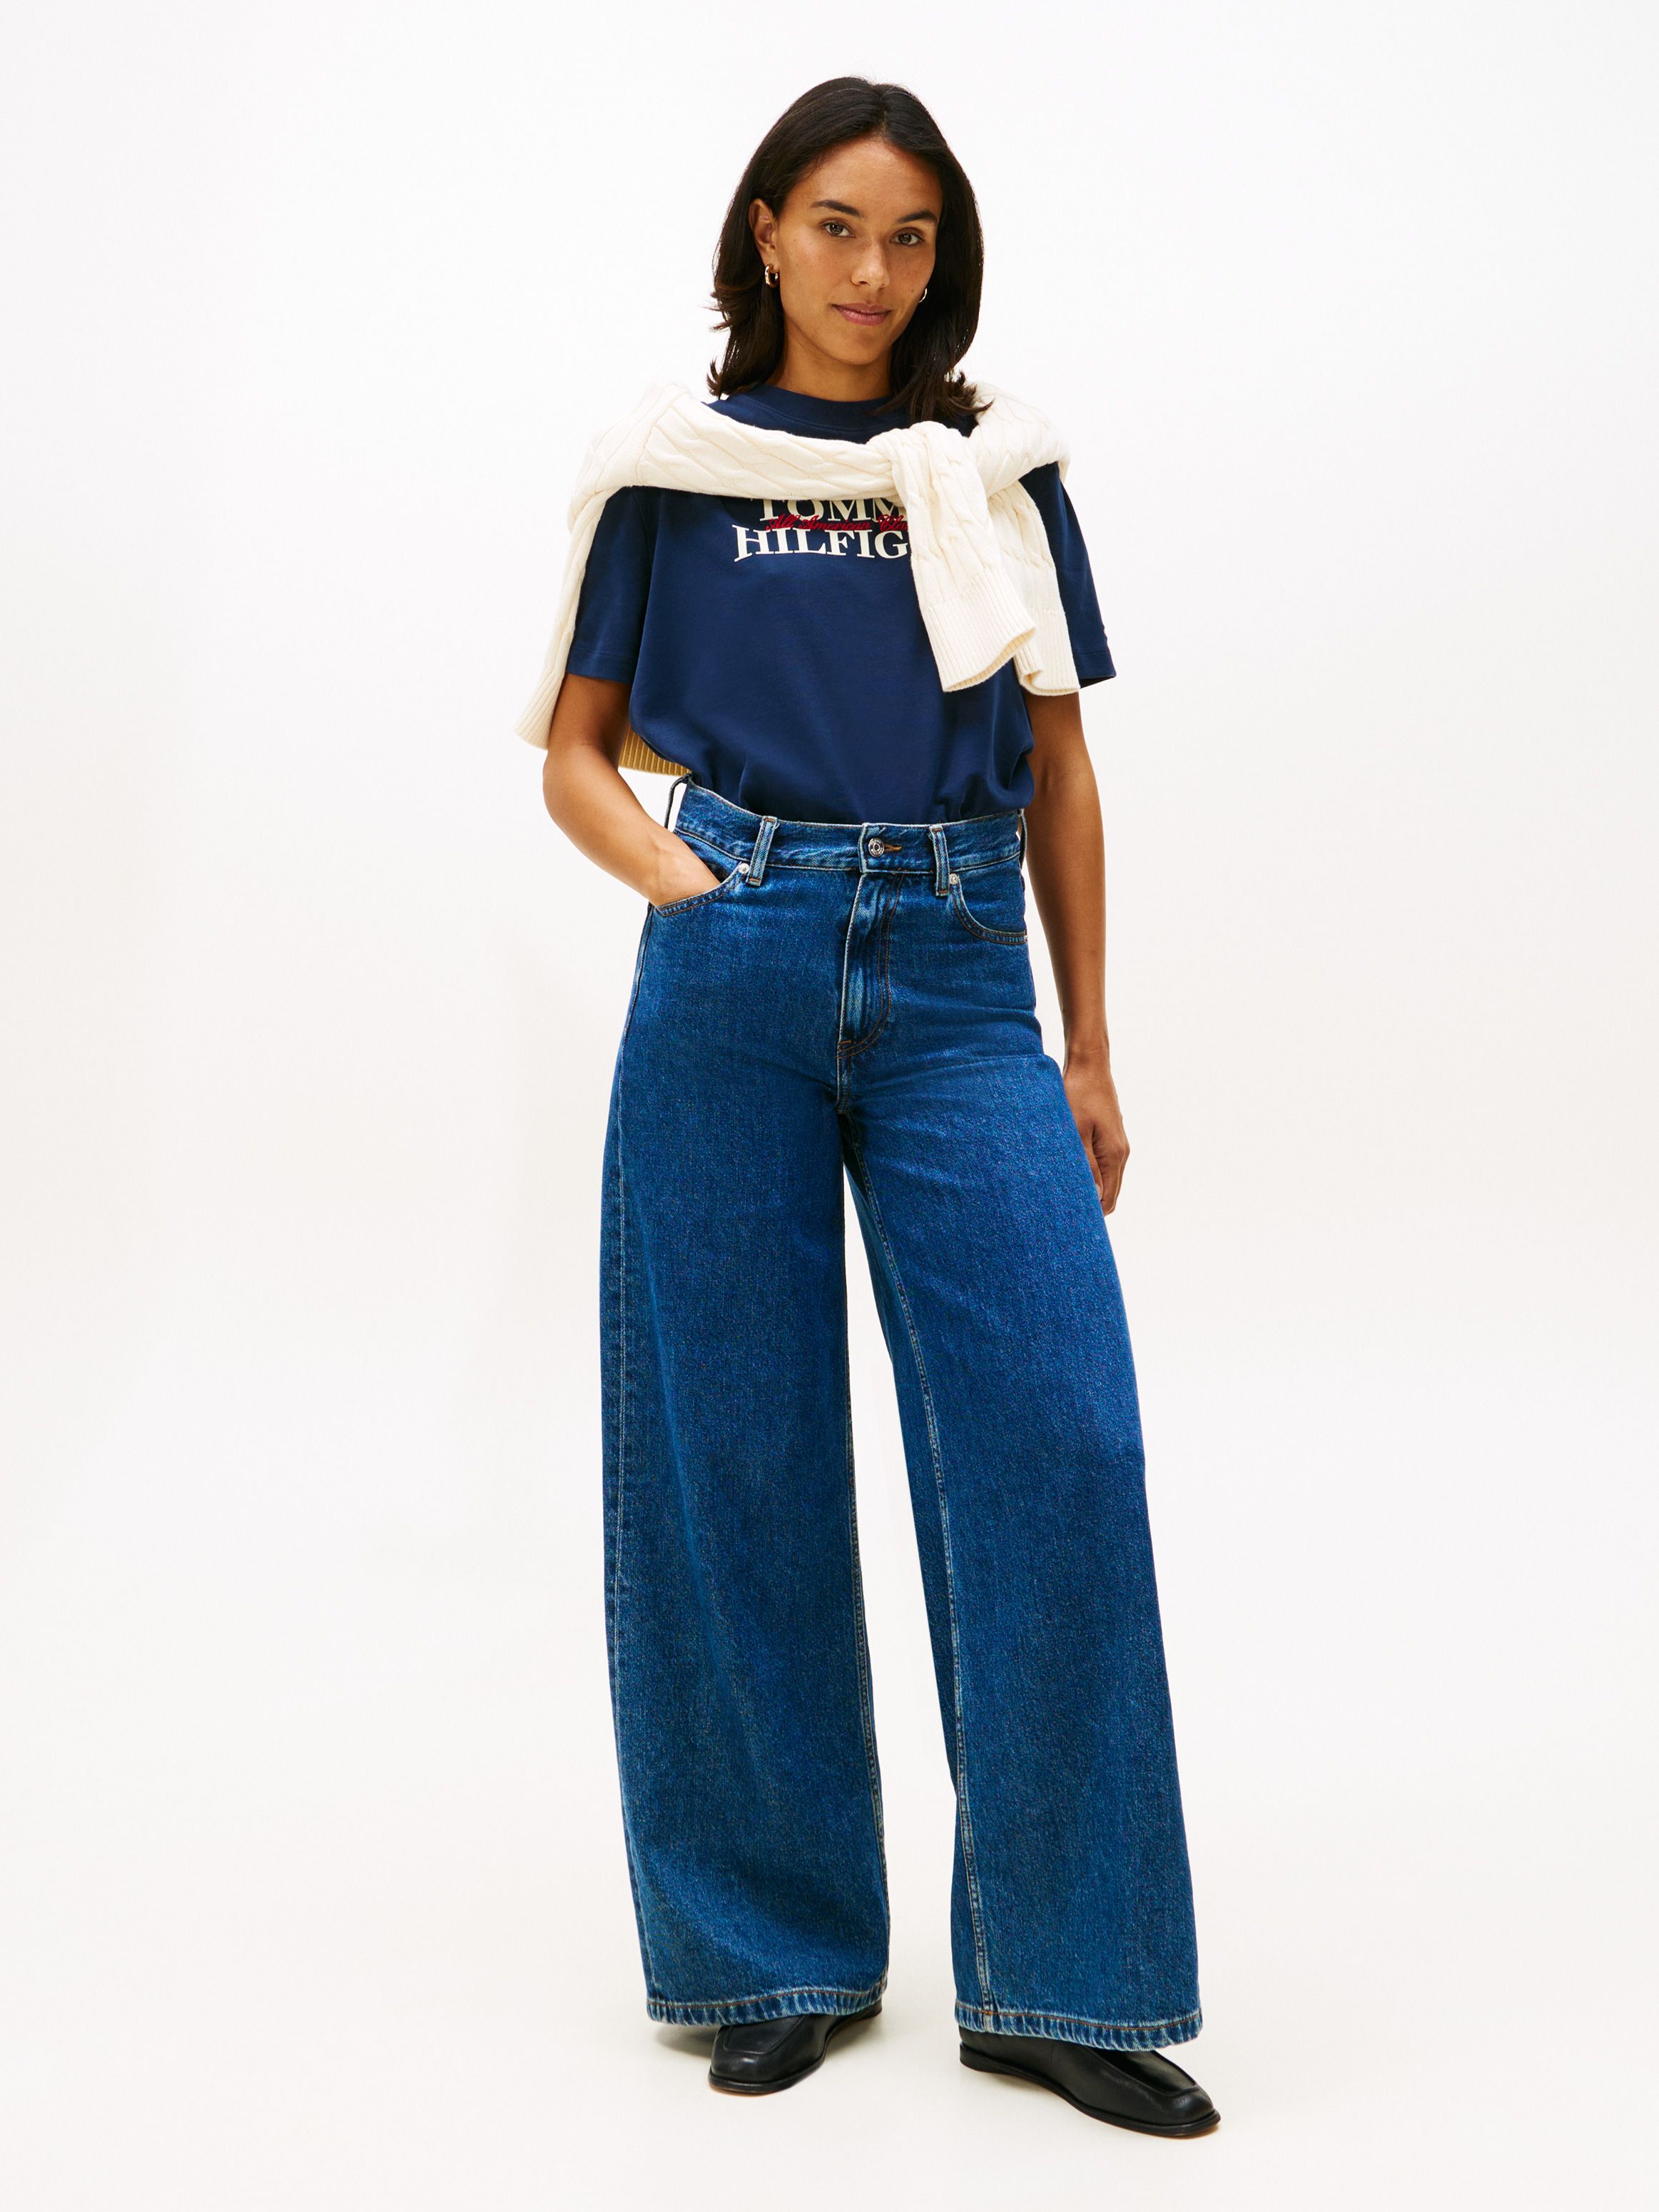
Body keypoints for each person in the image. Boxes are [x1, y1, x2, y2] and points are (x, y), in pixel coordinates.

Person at [523, 76, 1217, 2138]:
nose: (873, 271)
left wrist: (1088, 1044)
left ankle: (1063, 1976)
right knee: (727, 1450)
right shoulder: (675, 470)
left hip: (956, 970)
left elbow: (1063, 770)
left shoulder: (997, 473)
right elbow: (573, 754)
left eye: (911, 237)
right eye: (836, 225)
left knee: (1060, 1438)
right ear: (766, 230)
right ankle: (773, 1951)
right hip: (731, 957)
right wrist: (696, 891)